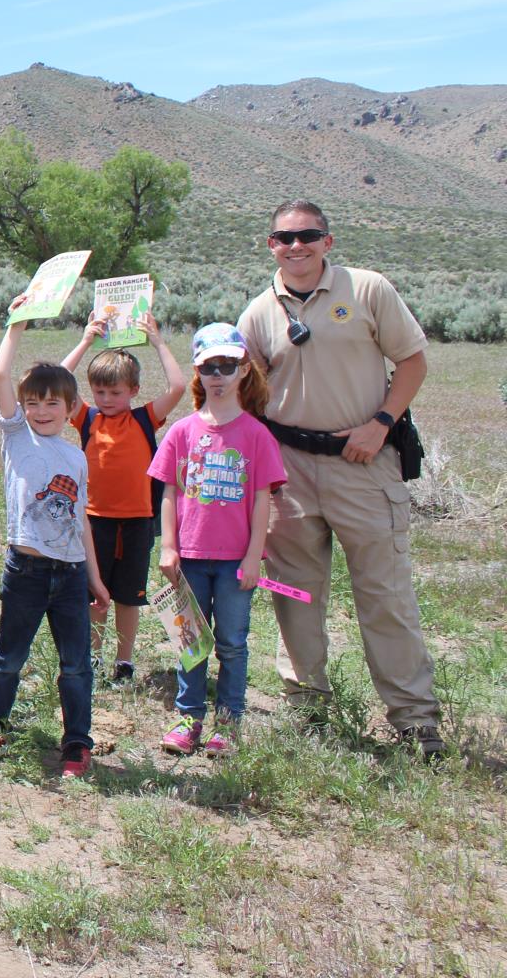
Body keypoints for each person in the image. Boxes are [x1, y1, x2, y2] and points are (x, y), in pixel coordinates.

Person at [235, 199, 443, 756]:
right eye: (284, 237)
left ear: (328, 241)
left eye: (308, 235)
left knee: (384, 592)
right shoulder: (257, 314)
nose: (295, 245)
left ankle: (415, 720)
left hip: (363, 462)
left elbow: (413, 361)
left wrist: (381, 424)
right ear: (270, 245)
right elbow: (245, 396)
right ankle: (308, 710)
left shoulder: (368, 289)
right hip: (289, 472)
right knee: (294, 593)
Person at [0, 314, 109, 777]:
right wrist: (15, 326)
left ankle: (76, 744)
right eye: (33, 403)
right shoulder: (16, 439)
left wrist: (95, 578)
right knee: (8, 659)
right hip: (26, 571)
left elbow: (80, 521)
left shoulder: (76, 455)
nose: (42, 410)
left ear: (72, 407)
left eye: (53, 403)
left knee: (76, 666)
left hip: (69, 574)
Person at [150, 325, 286, 756]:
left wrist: (253, 558)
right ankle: (188, 719)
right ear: (198, 370)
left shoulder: (256, 435)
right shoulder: (182, 432)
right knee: (190, 641)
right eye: (210, 366)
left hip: (234, 564)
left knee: (232, 643)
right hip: (188, 556)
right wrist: (168, 547)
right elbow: (169, 492)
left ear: (243, 370)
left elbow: (262, 501)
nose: (219, 375)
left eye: (227, 366)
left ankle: (228, 723)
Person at [57, 310, 186, 681]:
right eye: (99, 392)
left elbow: (178, 387)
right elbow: (60, 381)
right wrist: (85, 340)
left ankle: (124, 661)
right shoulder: (88, 419)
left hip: (137, 521)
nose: (107, 398)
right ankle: (93, 657)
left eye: (115, 392)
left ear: (133, 391)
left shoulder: (145, 418)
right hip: (93, 520)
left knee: (130, 596)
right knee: (96, 595)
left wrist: (158, 341)